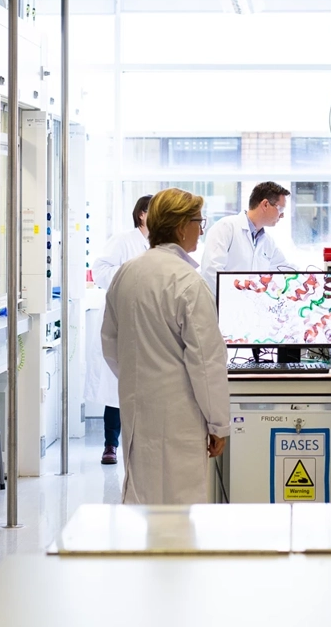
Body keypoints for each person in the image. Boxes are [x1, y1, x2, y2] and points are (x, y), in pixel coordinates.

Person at [101, 188, 231, 505]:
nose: (202, 229)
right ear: (180, 226)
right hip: (181, 416)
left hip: (137, 409)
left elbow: (110, 343)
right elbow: (206, 361)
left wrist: (138, 379)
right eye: (198, 221)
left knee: (141, 500)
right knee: (179, 507)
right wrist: (219, 423)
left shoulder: (127, 274)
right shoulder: (187, 281)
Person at [86, 194, 152, 465]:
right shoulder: (124, 240)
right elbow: (99, 268)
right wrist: (129, 277)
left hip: (150, 321)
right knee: (115, 387)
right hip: (122, 318)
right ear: (141, 214)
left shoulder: (162, 243)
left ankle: (143, 445)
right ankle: (110, 445)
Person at [198, 182, 297, 293]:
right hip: (224, 306)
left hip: (251, 307)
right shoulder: (226, 228)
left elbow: (286, 270)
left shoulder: (268, 242)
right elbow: (211, 271)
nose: (282, 215)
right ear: (265, 204)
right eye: (281, 210)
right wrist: (230, 301)